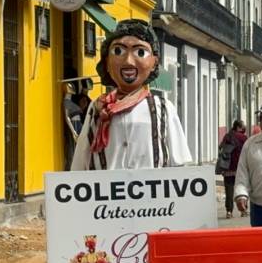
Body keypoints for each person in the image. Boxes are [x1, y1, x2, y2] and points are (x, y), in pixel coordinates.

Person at [72, 19, 192, 170]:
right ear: (107, 61)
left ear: (154, 62)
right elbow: (79, 164)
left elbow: (180, 166)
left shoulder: (163, 109)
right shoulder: (97, 109)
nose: (128, 61)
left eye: (140, 52)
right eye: (118, 51)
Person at [217, 120, 247, 219]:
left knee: (229, 191)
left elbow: (221, 147)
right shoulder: (243, 138)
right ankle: (243, 210)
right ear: (238, 127)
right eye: (243, 127)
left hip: (228, 168)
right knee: (242, 188)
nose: (244, 128)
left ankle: (229, 211)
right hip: (240, 168)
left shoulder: (227, 136)